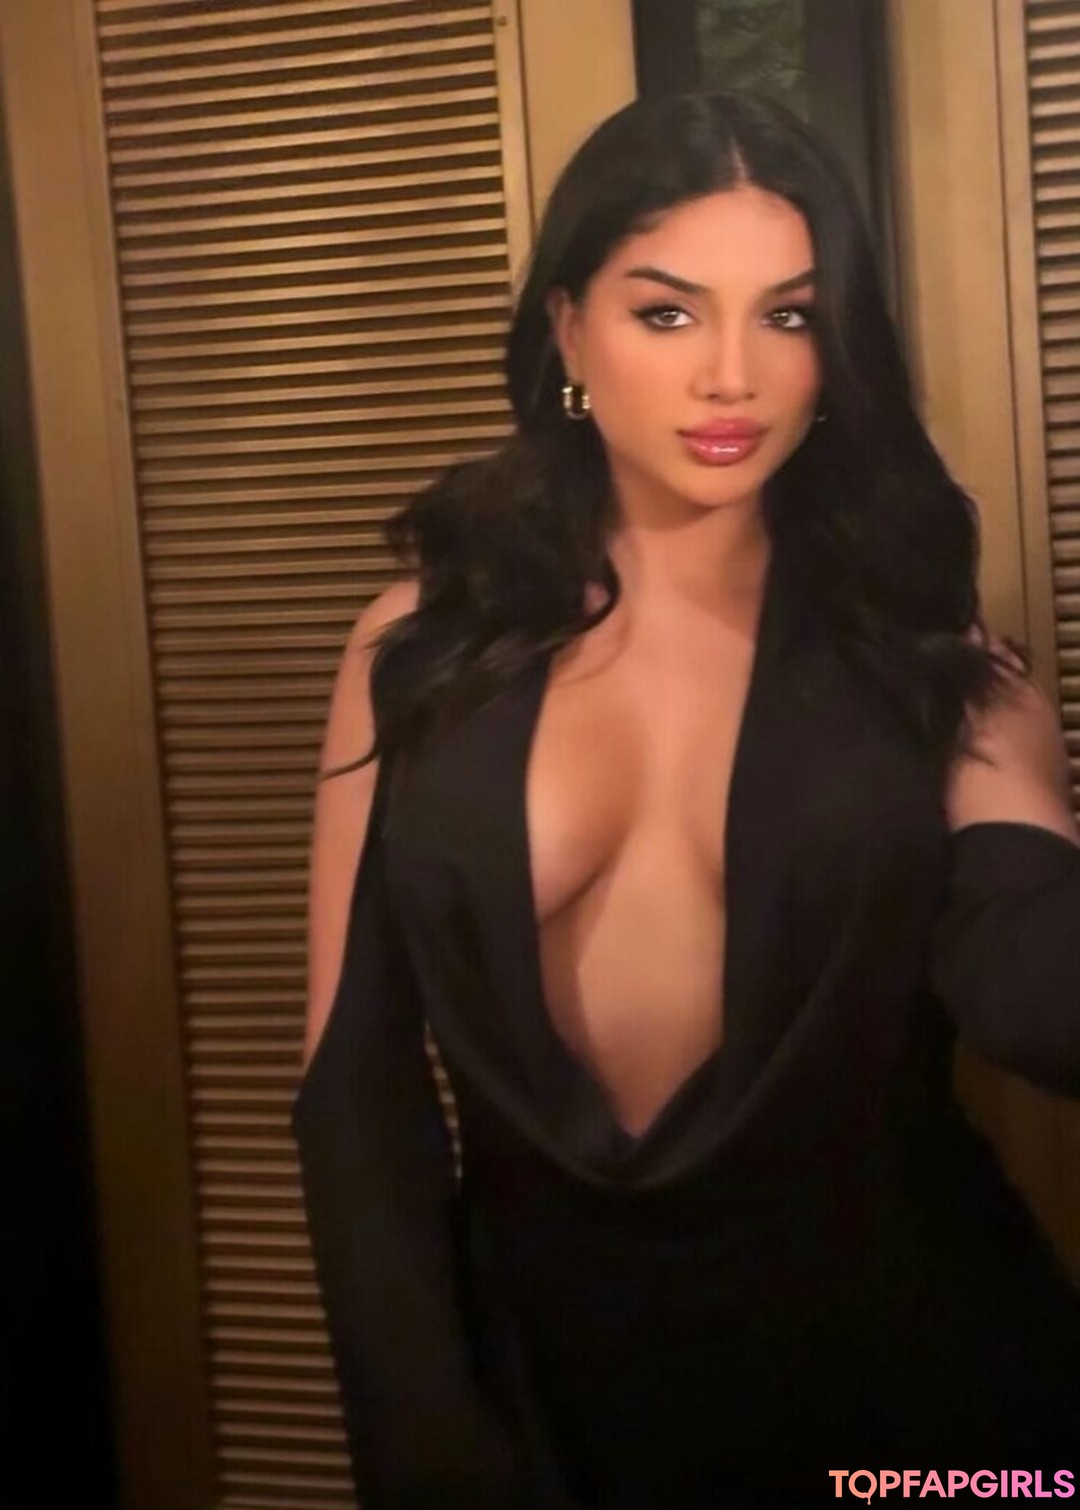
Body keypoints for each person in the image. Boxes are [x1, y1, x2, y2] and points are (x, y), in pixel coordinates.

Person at [293, 90, 1080, 1509]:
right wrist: (428, 1449)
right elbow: (355, 1092)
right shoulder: (418, 652)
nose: (732, 376)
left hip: (924, 1421)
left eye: (788, 316)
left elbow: (1038, 989)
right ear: (567, 330)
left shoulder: (933, 663)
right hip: (547, 1404)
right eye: (668, 313)